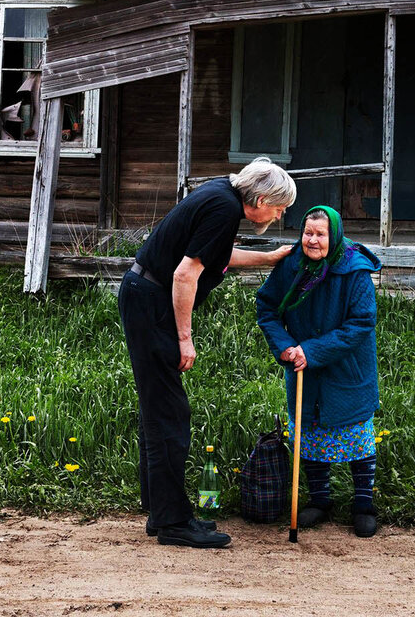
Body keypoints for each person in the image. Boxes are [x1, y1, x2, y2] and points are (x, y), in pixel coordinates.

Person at [119, 157, 297, 549]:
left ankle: (162, 513)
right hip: (153, 305)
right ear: (263, 197)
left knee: (160, 409)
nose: (281, 214)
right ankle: (173, 523)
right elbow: (186, 274)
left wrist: (268, 259)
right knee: (169, 413)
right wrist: (185, 337)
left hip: (144, 297)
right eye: (280, 207)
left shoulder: (222, 195)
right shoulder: (223, 207)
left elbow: (218, 255)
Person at [255, 205, 382, 537]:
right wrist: (284, 345)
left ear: (334, 235)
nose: (312, 240)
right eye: (307, 233)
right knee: (309, 432)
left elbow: (362, 323)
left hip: (346, 366)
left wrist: (312, 350)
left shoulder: (354, 270)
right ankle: (320, 500)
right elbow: (266, 307)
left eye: (320, 234)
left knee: (356, 434)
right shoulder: (291, 266)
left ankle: (364, 503)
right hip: (300, 364)